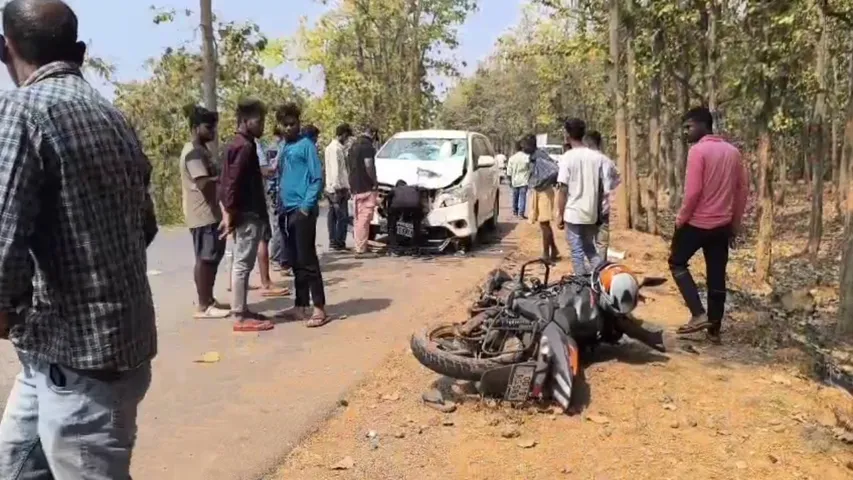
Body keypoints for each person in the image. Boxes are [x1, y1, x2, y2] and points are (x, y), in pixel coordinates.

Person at [0, 1, 158, 477]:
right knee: (16, 465)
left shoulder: (23, 110)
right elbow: (144, 225)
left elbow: (4, 237)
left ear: (5, 50)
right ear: (81, 53)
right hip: (79, 351)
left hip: (81, 366)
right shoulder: (111, 115)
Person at [671, 106, 748, 344]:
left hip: (696, 224)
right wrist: (734, 224)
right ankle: (714, 330)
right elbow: (742, 191)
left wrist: (680, 219)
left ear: (704, 125)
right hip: (722, 226)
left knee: (676, 262)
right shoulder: (733, 152)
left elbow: (693, 193)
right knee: (717, 275)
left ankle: (698, 314)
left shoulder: (698, 151)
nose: (686, 132)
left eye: (689, 127)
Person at [219, 98, 275, 331]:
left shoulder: (239, 144)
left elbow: (225, 184)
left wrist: (228, 212)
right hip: (247, 213)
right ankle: (239, 315)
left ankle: (242, 308)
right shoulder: (244, 147)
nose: (262, 125)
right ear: (245, 121)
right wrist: (230, 214)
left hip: (245, 212)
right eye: (258, 121)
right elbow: (231, 184)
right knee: (242, 264)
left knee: (243, 262)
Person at [276, 102, 330, 327]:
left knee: (308, 260)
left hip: (302, 210)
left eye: (293, 124)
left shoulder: (306, 145)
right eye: (285, 124)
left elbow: (317, 178)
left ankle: (319, 308)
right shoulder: (284, 147)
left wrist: (306, 206)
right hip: (286, 210)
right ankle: (300, 305)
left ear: (298, 124)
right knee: (295, 260)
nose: (289, 128)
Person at [180, 105, 231, 319]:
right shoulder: (193, 153)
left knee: (212, 257)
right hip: (202, 215)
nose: (212, 131)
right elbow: (203, 183)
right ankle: (203, 305)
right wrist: (224, 178)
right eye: (208, 127)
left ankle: (208, 299)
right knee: (205, 258)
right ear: (195, 128)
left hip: (211, 213)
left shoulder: (203, 150)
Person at [555, 118, 612, 275]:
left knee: (577, 251)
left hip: (573, 212)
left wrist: (560, 214)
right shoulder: (596, 157)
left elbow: (563, 189)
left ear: (567, 135)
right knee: (589, 248)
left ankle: (581, 285)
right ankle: (602, 277)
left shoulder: (567, 157)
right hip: (591, 212)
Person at [255, 131, 289, 297]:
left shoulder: (264, 146)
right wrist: (276, 166)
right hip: (268, 192)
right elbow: (267, 171)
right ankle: (273, 268)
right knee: (272, 231)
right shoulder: (255, 145)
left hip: (266, 192)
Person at [522, 134, 560, 263]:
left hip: (544, 191)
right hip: (538, 191)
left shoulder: (539, 157)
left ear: (531, 145)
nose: (523, 148)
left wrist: (544, 182)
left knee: (544, 224)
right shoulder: (533, 157)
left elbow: (555, 170)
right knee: (543, 224)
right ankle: (553, 250)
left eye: (524, 145)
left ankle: (546, 254)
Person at [583, 129, 620, 259]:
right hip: (602, 208)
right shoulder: (607, 161)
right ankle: (599, 271)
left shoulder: (581, 160)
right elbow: (617, 179)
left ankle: (586, 272)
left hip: (584, 207)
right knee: (602, 242)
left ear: (586, 143)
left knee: (585, 241)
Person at [348, 126, 380, 256]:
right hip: (366, 186)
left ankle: (360, 244)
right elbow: (368, 165)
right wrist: (374, 181)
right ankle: (361, 249)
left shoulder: (353, 147)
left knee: (358, 217)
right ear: (372, 133)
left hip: (355, 186)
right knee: (364, 217)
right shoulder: (367, 147)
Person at [325, 123, 353, 251]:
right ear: (343, 134)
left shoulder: (332, 148)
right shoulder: (336, 149)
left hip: (332, 187)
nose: (347, 139)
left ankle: (333, 241)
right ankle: (338, 242)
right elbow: (336, 170)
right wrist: (338, 187)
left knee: (333, 215)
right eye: (346, 136)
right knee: (342, 216)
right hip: (337, 188)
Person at [386, 180, 424, 255]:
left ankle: (394, 249)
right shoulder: (414, 188)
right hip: (415, 207)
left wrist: (388, 214)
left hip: (397, 207)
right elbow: (420, 199)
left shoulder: (394, 189)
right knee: (417, 227)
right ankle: (415, 248)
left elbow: (388, 201)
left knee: (391, 227)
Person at [506, 141, 531, 218]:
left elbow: (509, 172)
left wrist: (509, 180)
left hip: (515, 181)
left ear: (516, 148)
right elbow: (530, 169)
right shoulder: (527, 157)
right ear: (523, 148)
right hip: (524, 181)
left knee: (515, 196)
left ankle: (515, 211)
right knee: (522, 197)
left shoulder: (512, 158)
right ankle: (521, 214)